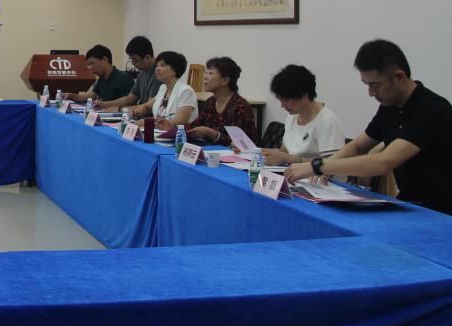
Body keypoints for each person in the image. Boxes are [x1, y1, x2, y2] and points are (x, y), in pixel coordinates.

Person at [285, 40, 452, 215]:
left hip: (441, 211)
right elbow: (359, 145)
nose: (371, 93)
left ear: (400, 77)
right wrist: (327, 168)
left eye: (375, 85)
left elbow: (384, 162)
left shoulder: (432, 109)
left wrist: (318, 166)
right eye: (367, 85)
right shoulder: (390, 106)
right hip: (411, 204)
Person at [261, 64, 345, 165]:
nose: (282, 106)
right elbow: (285, 151)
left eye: (286, 100)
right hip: (292, 172)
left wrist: (291, 159)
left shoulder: (327, 121)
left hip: (315, 175)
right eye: (280, 100)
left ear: (304, 94)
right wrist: (258, 151)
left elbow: (331, 165)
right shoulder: (292, 117)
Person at [185, 56, 258, 146]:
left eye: (210, 73)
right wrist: (174, 127)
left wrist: (213, 134)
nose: (205, 77)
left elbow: (244, 143)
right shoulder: (210, 102)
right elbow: (194, 125)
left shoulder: (240, 106)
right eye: (206, 72)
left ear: (225, 80)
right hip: (211, 151)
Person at [124, 50, 198, 128]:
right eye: (157, 65)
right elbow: (147, 106)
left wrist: (149, 123)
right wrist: (133, 112)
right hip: (159, 132)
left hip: (177, 135)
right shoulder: (163, 88)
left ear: (174, 71)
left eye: (162, 65)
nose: (157, 69)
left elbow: (179, 123)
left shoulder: (186, 91)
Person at [100, 36, 160, 112]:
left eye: (135, 59)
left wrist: (120, 109)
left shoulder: (159, 74)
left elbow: (149, 107)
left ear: (147, 57)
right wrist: (104, 105)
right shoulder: (142, 74)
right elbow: (130, 99)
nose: (133, 63)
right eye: (131, 59)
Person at [65, 45, 133, 106]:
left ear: (105, 59)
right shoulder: (101, 78)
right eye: (88, 65)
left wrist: (104, 104)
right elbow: (90, 97)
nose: (90, 68)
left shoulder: (123, 78)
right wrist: (71, 96)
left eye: (92, 63)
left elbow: (128, 102)